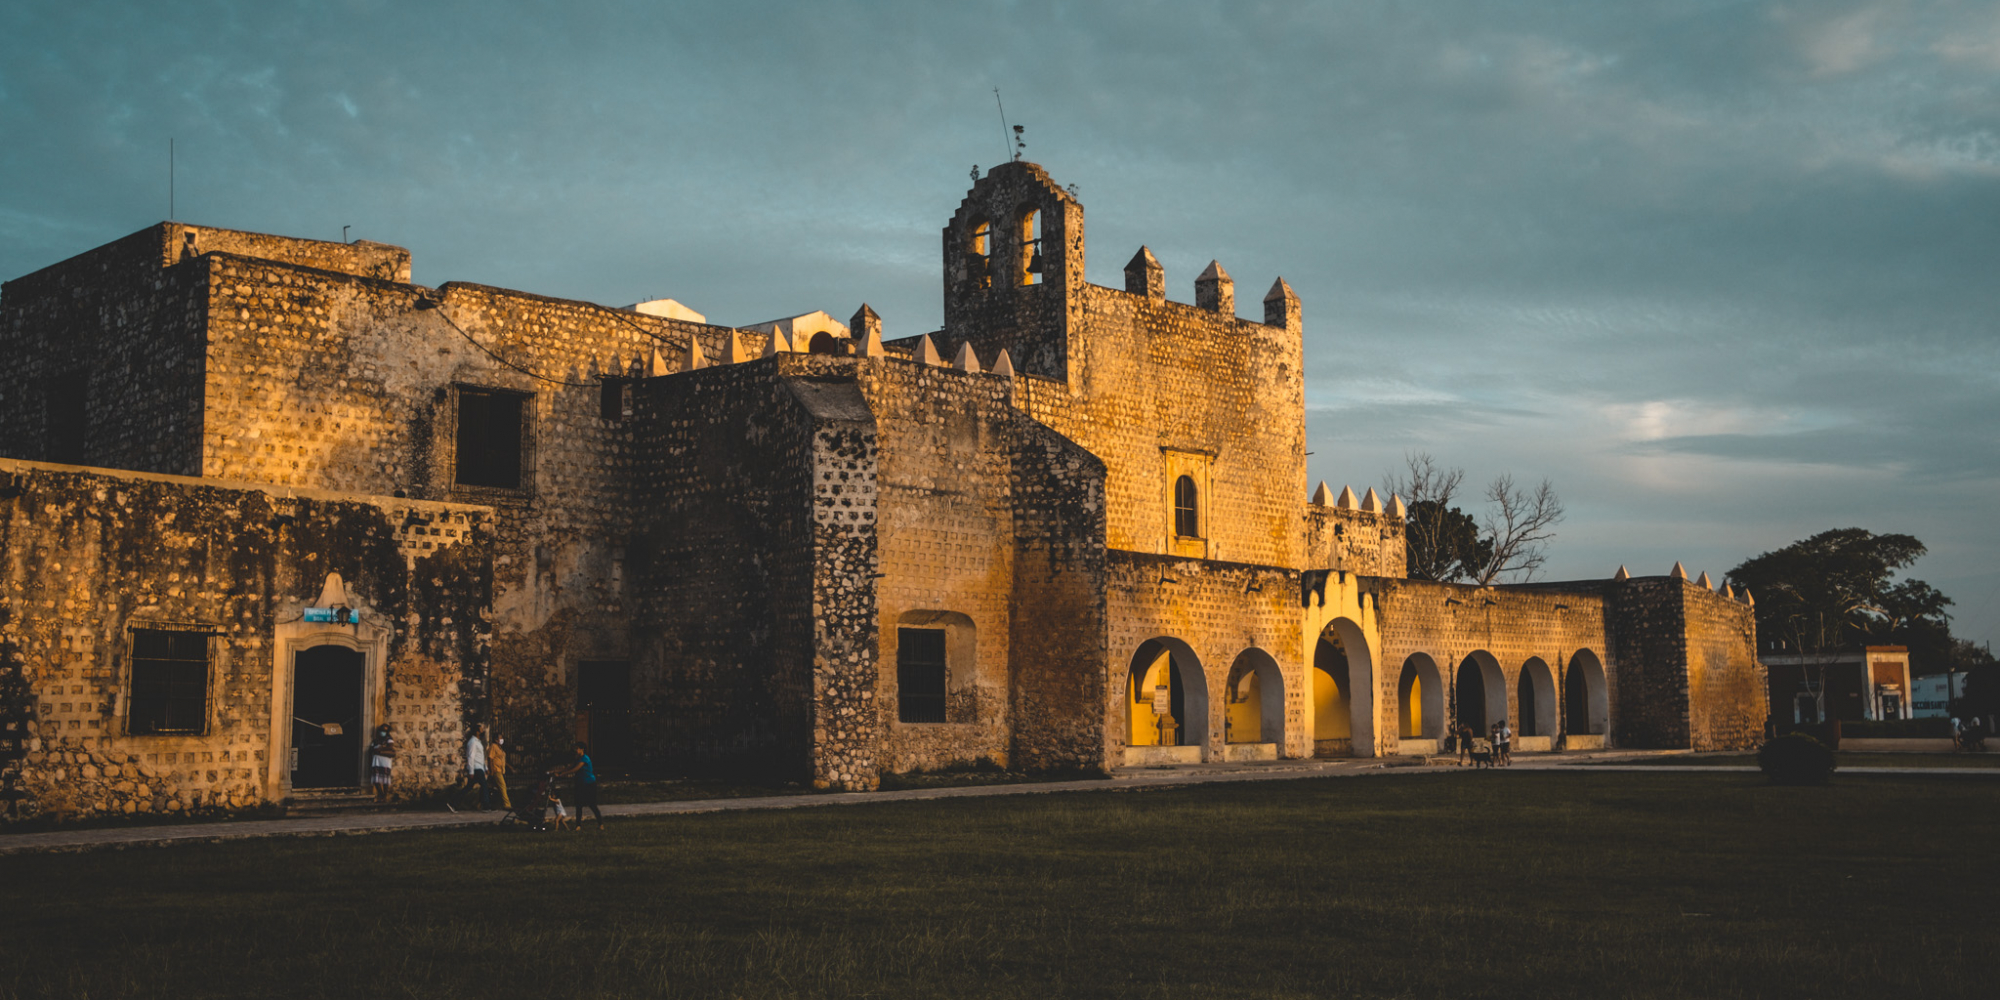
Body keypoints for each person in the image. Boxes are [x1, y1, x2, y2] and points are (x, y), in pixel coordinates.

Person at [552, 741, 603, 830]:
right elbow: (569, 767)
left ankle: (601, 824)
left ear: (582, 749)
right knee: (578, 805)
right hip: (580, 784)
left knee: (592, 805)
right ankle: (578, 826)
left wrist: (561, 774)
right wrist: (556, 771)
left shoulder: (585, 759)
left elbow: (575, 769)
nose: (575, 750)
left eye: (577, 748)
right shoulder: (577, 758)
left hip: (589, 784)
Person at [366, 724, 398, 802]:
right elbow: (371, 749)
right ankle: (381, 794)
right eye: (381, 730)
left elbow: (390, 747)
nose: (382, 732)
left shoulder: (389, 739)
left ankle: (384, 796)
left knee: (385, 780)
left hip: (385, 762)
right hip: (376, 761)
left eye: (384, 731)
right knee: (376, 780)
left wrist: (380, 749)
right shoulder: (375, 740)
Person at [463, 724, 490, 811]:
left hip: (479, 767)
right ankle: (485, 806)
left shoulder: (478, 742)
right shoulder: (473, 742)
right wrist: (471, 771)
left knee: (469, 787)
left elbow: (480, 757)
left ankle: (453, 803)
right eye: (481, 730)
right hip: (476, 768)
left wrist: (485, 768)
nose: (483, 731)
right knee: (484, 785)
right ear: (477, 732)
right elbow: (471, 757)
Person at [487, 735, 512, 810]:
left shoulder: (500, 748)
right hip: (496, 770)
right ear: (496, 739)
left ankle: (494, 804)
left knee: (494, 788)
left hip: (501, 770)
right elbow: (490, 759)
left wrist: (510, 767)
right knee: (503, 786)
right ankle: (507, 805)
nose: (502, 739)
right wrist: (491, 770)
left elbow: (501, 760)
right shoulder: (493, 746)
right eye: (500, 738)